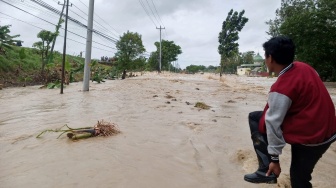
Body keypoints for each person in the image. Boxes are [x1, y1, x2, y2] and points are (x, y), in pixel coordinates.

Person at [244, 36, 336, 187]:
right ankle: (265, 169)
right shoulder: (304, 67)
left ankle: (266, 170)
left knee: (299, 179)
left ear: (270, 58)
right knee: (256, 117)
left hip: (312, 137)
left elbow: (272, 123)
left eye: (265, 56)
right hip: (327, 128)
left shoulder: (281, 88)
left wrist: (274, 160)